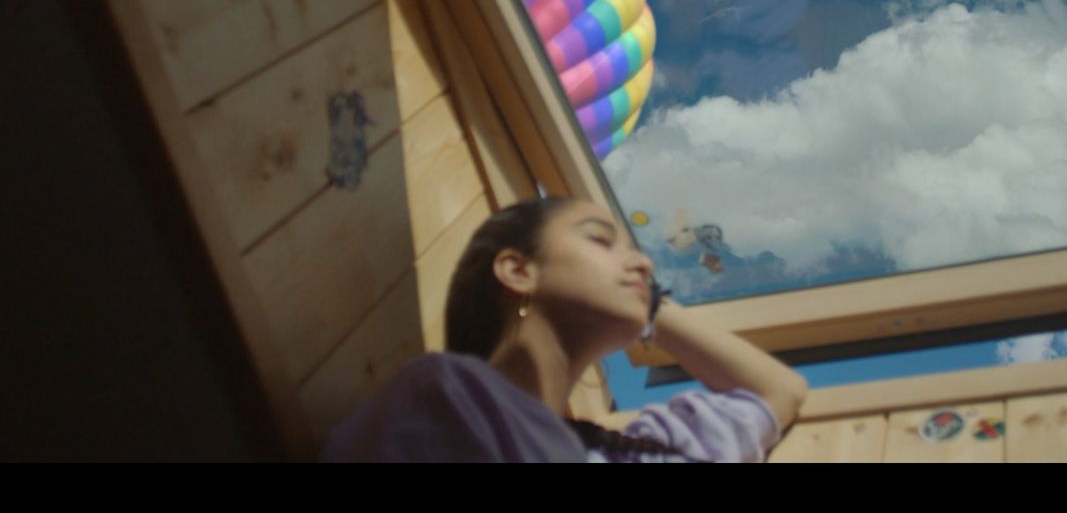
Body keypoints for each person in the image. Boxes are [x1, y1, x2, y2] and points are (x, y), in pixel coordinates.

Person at [321, 197, 808, 462]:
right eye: (600, 240)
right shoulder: (447, 397)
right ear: (517, 271)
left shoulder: (631, 450)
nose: (642, 261)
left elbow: (777, 391)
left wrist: (648, 303)